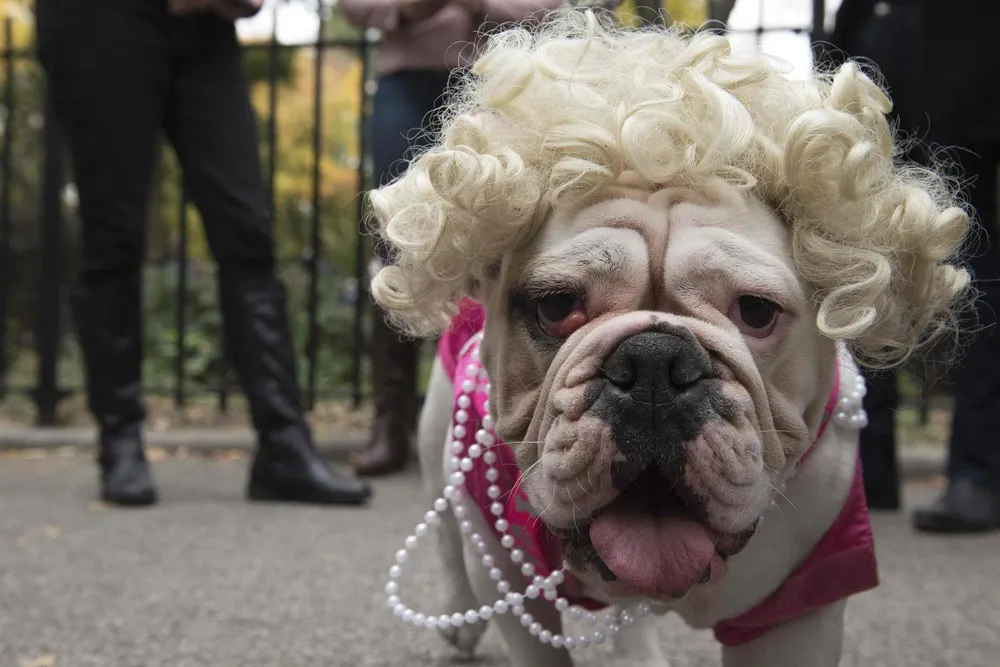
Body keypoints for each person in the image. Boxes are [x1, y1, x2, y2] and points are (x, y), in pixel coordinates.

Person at [34, 0, 371, 507]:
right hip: (99, 20)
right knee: (113, 238)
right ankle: (120, 441)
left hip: (204, 26)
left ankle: (284, 445)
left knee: (247, 233)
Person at [340, 0, 563, 477]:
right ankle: (390, 420)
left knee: (504, 236)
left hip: (499, 75)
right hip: (408, 77)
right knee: (397, 244)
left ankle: (503, 411)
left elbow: (550, 7)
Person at [823, 0, 1000, 531]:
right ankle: (864, 466)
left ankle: (977, 470)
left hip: (972, 64)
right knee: (863, 263)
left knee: (973, 266)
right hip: (881, 50)